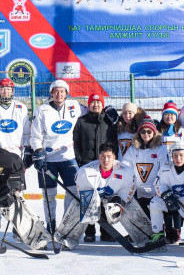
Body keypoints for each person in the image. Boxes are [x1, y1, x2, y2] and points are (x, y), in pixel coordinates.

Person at [55, 143, 152, 249]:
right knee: (77, 205)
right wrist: (94, 207)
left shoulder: (126, 171)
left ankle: (146, 238)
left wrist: (119, 202)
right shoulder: (85, 171)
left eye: (109, 156)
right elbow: (83, 193)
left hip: (113, 202)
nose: (106, 160)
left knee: (130, 206)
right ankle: (66, 238)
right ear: (99, 157)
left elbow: (128, 190)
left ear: (114, 157)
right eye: (103, 156)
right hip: (93, 202)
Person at [30, 79, 86, 232]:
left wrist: (106, 110)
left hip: (68, 157)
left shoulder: (74, 106)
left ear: (66, 93)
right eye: (56, 91)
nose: (59, 94)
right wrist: (39, 151)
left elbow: (92, 111)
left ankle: (66, 222)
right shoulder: (42, 110)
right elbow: (35, 135)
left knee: (73, 191)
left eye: (62, 91)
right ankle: (51, 223)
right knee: (49, 194)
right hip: (49, 158)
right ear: (51, 93)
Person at [0, 78, 32, 239]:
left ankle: (17, 225)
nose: (5, 91)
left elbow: (26, 132)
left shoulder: (21, 107)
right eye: (2, 89)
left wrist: (28, 151)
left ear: (13, 91)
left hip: (16, 155)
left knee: (16, 193)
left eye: (8, 89)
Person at [73, 92, 118, 241]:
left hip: (104, 165)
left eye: (99, 103)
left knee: (105, 197)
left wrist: (111, 161)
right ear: (89, 104)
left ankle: (105, 232)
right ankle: (90, 232)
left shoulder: (108, 121)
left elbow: (114, 142)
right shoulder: (82, 121)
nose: (96, 105)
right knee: (88, 198)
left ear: (103, 105)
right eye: (93, 103)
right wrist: (80, 160)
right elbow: (76, 142)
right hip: (87, 164)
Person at [157, 100, 184, 243]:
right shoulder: (158, 131)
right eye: (166, 115)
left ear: (176, 116)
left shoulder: (182, 131)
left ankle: (177, 230)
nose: (169, 117)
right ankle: (167, 230)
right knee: (166, 199)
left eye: (172, 114)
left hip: (178, 168)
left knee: (177, 199)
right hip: (163, 169)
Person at [122, 117, 168, 218]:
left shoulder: (160, 149)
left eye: (149, 131)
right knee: (141, 217)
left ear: (154, 133)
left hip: (155, 190)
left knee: (155, 216)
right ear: (139, 133)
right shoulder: (133, 149)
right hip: (138, 190)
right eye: (143, 131)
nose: (146, 134)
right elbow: (126, 165)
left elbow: (164, 169)